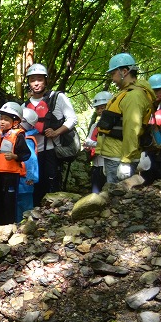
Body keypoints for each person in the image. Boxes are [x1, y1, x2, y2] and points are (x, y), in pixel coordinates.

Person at [96, 53, 156, 184]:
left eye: (113, 74)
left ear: (124, 71)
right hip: (115, 154)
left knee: (117, 197)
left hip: (119, 156)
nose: (112, 79)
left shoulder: (134, 96)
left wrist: (126, 161)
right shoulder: (127, 93)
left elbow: (131, 129)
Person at [23, 63, 77, 203]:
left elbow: (72, 119)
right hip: (34, 154)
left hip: (52, 151)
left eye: (40, 79)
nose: (36, 83)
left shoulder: (57, 98)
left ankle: (54, 217)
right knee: (36, 187)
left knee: (52, 186)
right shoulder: (24, 105)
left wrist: (56, 132)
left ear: (46, 80)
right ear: (28, 82)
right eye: (32, 79)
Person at [0, 103, 31, 226]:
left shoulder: (18, 135)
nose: (2, 121)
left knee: (9, 202)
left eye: (6, 119)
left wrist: (15, 156)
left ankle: (8, 226)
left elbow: (25, 154)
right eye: (1, 118)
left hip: (10, 174)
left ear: (15, 122)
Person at [82, 91, 112, 193]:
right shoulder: (95, 126)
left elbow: (111, 144)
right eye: (97, 108)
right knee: (95, 194)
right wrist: (87, 146)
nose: (100, 111)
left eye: (102, 107)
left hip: (108, 164)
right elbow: (89, 140)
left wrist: (92, 144)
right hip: (95, 164)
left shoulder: (115, 125)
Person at [17, 108, 40, 221]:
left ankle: (25, 227)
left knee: (24, 207)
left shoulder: (25, 139)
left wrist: (31, 177)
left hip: (24, 180)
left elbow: (31, 159)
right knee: (19, 205)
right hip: (20, 179)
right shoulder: (23, 137)